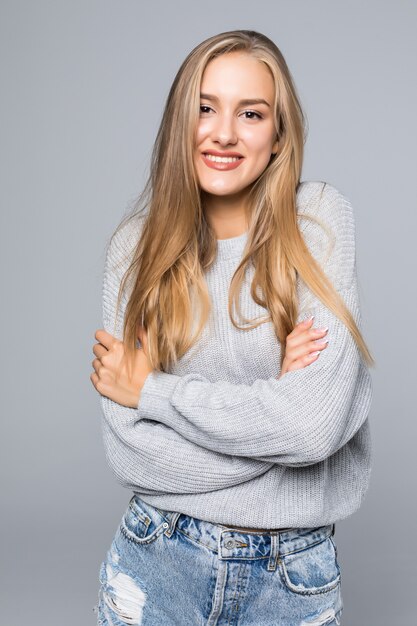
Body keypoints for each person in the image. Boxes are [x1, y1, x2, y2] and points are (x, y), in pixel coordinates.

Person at [90, 29, 374, 626]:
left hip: (290, 578)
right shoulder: (133, 250)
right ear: (179, 126)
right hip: (155, 561)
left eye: (251, 113)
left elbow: (313, 431)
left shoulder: (317, 222)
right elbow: (131, 455)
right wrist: (275, 414)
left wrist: (153, 392)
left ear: (278, 136)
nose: (223, 132)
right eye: (204, 108)